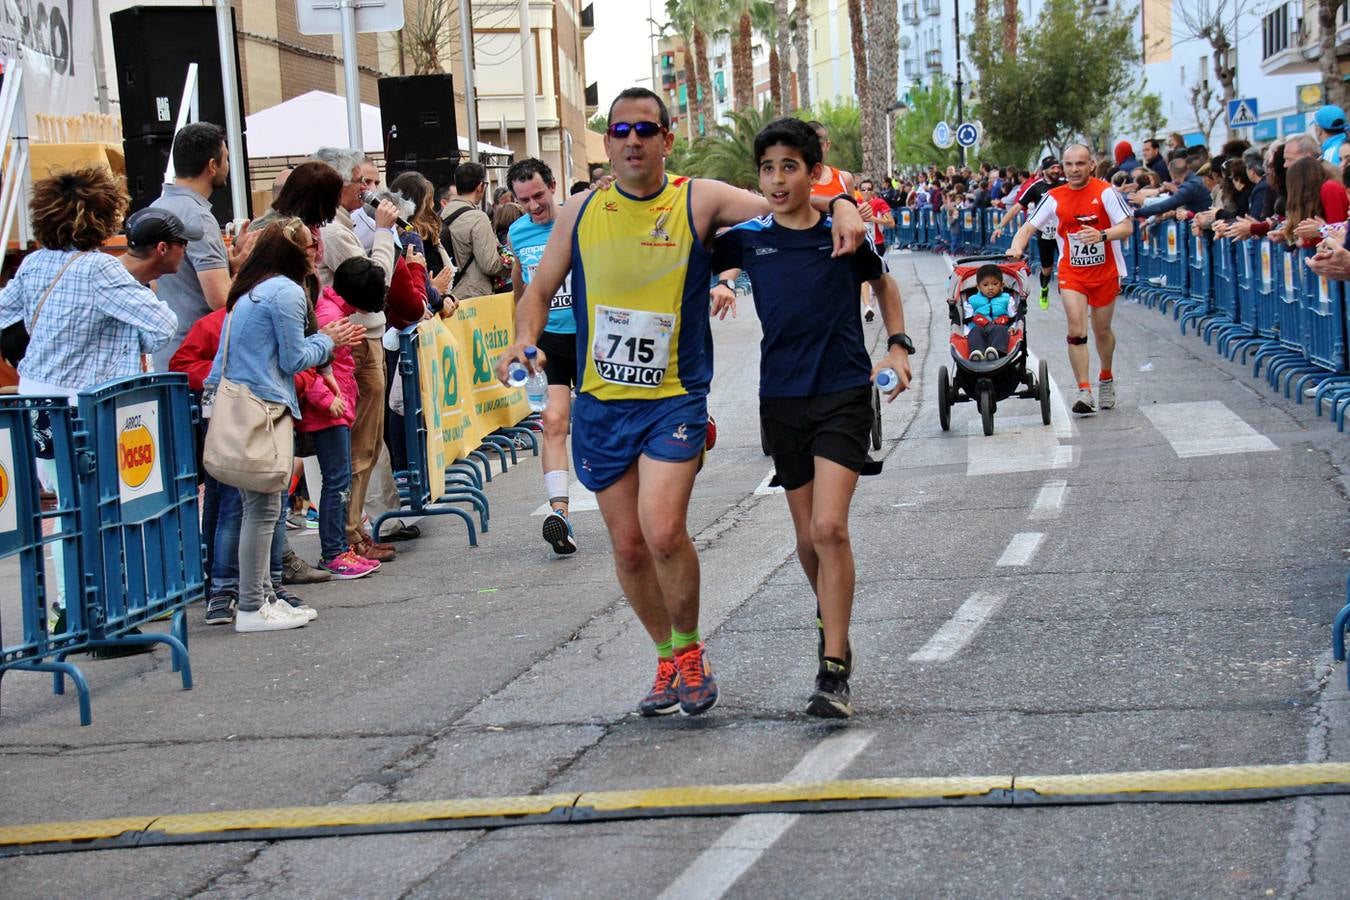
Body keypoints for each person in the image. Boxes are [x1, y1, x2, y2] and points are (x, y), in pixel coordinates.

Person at [495, 88, 868, 718]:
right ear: (607, 141)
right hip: (602, 401)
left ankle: (691, 649)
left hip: (674, 399)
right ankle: (666, 654)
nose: (632, 140)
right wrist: (524, 337)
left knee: (663, 531)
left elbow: (788, 201)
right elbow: (539, 289)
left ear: (667, 139)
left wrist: (845, 203)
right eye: (620, 130)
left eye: (646, 129)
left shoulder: (699, 198)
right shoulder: (581, 210)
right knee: (629, 547)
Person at [708, 117, 911, 718]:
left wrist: (898, 347)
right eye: (767, 168)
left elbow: (886, 285)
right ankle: (832, 614)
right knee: (804, 538)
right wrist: (719, 282)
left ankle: (834, 668)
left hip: (844, 391)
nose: (776, 179)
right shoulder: (747, 240)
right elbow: (698, 248)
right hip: (783, 398)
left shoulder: (842, 235)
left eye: (789, 166)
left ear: (812, 171)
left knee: (829, 529)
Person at [0, 167, 178, 636]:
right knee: (103, 508)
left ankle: (67, 607)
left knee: (63, 510)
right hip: (89, 404)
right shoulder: (101, 269)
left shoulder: (35, 263)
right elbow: (161, 325)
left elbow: (4, 313)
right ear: (102, 217)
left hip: (36, 398)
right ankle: (104, 609)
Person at [204, 219, 365, 632]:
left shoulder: (252, 292)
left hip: (245, 405)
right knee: (261, 510)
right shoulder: (288, 292)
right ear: (295, 253)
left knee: (253, 509)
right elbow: (294, 359)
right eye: (311, 247)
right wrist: (330, 339)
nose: (317, 253)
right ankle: (254, 605)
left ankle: (259, 599)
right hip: (264, 407)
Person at [313, 146, 402, 563]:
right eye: (359, 183)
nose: (366, 191)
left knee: (367, 445)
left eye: (369, 182)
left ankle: (353, 529)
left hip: (363, 338)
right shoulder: (333, 231)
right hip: (357, 342)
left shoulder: (341, 226)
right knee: (360, 447)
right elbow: (373, 283)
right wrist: (383, 234)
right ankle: (347, 534)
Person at [1008, 144, 1134, 416]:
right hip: (1072, 274)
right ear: (1062, 168)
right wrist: (1016, 247)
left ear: (1091, 165)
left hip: (1105, 274)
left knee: (1102, 331)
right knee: (1077, 330)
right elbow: (1028, 227)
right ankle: (1084, 391)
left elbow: (1127, 227)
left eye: (1080, 164)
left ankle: (1106, 377)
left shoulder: (1106, 192)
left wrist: (1101, 235)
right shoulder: (1054, 197)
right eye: (1069, 165)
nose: (1074, 170)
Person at [506, 158, 579, 555]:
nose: (534, 206)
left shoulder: (575, 220)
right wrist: (522, 337)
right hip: (547, 343)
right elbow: (521, 284)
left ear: (552, 186)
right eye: (524, 200)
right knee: (552, 423)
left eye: (539, 195)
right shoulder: (517, 232)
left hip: (588, 336)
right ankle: (561, 514)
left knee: (607, 422)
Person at [306, 258, 387, 579]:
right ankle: (340, 546)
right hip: (333, 409)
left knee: (346, 472)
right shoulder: (331, 318)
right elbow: (315, 369)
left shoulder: (336, 312)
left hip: (341, 403)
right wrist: (332, 400)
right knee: (339, 478)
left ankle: (346, 540)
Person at [147, 122, 246, 370]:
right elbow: (221, 299)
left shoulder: (156, 207)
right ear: (212, 166)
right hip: (196, 358)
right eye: (225, 159)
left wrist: (228, 262)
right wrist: (245, 266)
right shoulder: (198, 218)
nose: (228, 166)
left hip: (167, 351)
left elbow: (165, 281)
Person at [992, 156, 1065, 309]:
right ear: (1044, 170)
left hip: (1064, 233)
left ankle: (1069, 294)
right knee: (1047, 269)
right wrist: (1000, 226)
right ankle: (1044, 289)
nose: (1057, 170)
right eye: (1053, 168)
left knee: (1065, 265)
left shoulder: (1065, 184)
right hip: (1045, 234)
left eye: (1058, 167)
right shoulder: (1036, 187)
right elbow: (1016, 208)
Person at [441, 162, 508, 299]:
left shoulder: (441, 215)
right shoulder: (478, 218)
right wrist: (512, 263)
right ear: (480, 187)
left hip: (449, 295)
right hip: (474, 295)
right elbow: (490, 265)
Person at [121, 208, 200, 285]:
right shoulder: (140, 296)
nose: (186, 248)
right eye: (184, 242)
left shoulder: (110, 265)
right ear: (162, 248)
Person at [857, 178, 894, 322]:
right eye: (863, 189)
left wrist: (872, 218)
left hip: (877, 244)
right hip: (862, 243)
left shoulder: (879, 203)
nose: (866, 191)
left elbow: (891, 223)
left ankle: (886, 308)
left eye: (869, 189)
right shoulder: (855, 204)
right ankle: (867, 307)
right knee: (863, 276)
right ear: (859, 191)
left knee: (880, 278)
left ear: (873, 190)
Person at [963, 264, 1016, 361]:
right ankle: (977, 353)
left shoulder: (1007, 299)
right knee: (974, 332)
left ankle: (996, 352)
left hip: (1000, 327)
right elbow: (967, 319)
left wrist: (1013, 327)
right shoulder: (972, 300)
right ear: (978, 287)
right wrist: (966, 332)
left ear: (1001, 285)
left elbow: (1013, 317)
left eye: (995, 284)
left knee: (1000, 330)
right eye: (985, 285)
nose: (990, 288)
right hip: (979, 327)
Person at [807, 120, 854, 198]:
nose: (814, 150)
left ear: (827, 145)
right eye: (810, 145)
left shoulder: (844, 179)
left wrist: (862, 209)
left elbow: (852, 208)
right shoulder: (796, 180)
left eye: (819, 145)